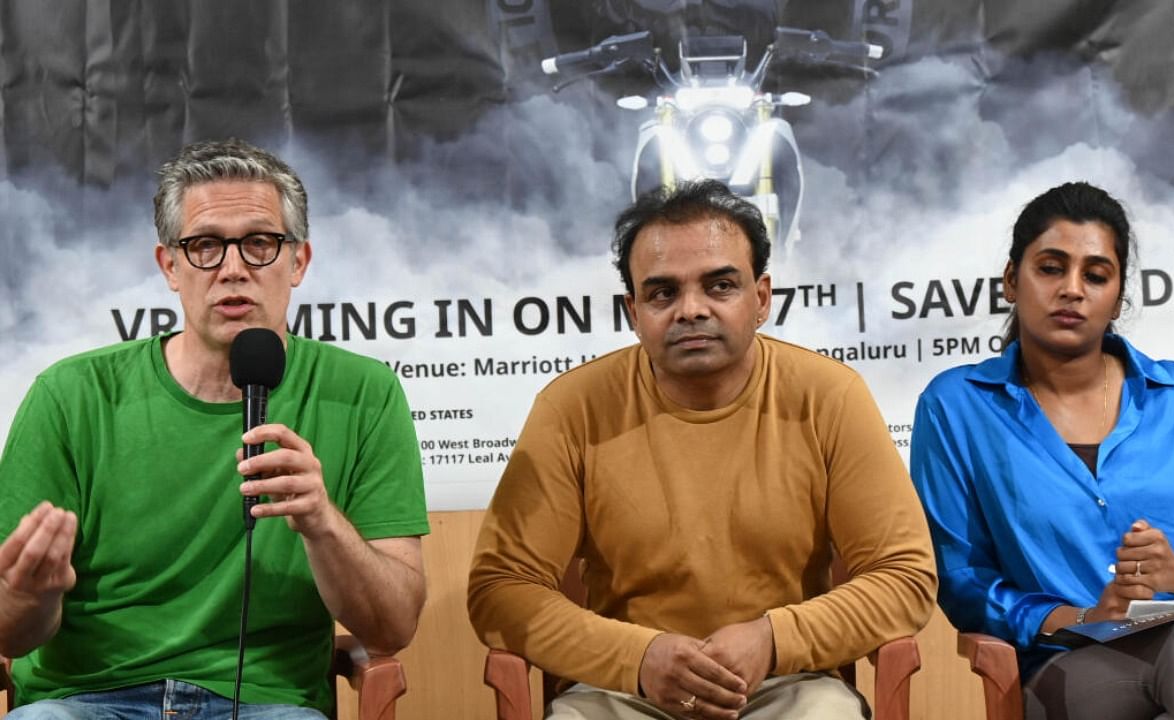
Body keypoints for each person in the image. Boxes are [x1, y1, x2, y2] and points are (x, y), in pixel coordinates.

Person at [468, 179, 936, 720]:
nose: (691, 310)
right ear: (633, 310)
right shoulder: (571, 408)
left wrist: (774, 639)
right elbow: (500, 590)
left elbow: (904, 577)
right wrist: (639, 657)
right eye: (663, 293)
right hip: (623, 690)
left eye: (719, 286)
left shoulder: (830, 397)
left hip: (787, 684)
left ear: (761, 299)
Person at [0, 138, 429, 718]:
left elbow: (393, 626)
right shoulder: (71, 396)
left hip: (265, 703)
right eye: (204, 246)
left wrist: (322, 524)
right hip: (84, 699)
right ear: (170, 266)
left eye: (259, 244)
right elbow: (11, 634)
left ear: (298, 262)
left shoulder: (364, 394)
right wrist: (33, 594)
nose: (232, 270)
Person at [910, 181, 1174, 719]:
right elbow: (963, 581)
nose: (1072, 290)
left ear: (1119, 294)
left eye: (1096, 275)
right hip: (1080, 667)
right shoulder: (958, 407)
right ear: (1011, 281)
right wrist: (1080, 617)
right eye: (1051, 268)